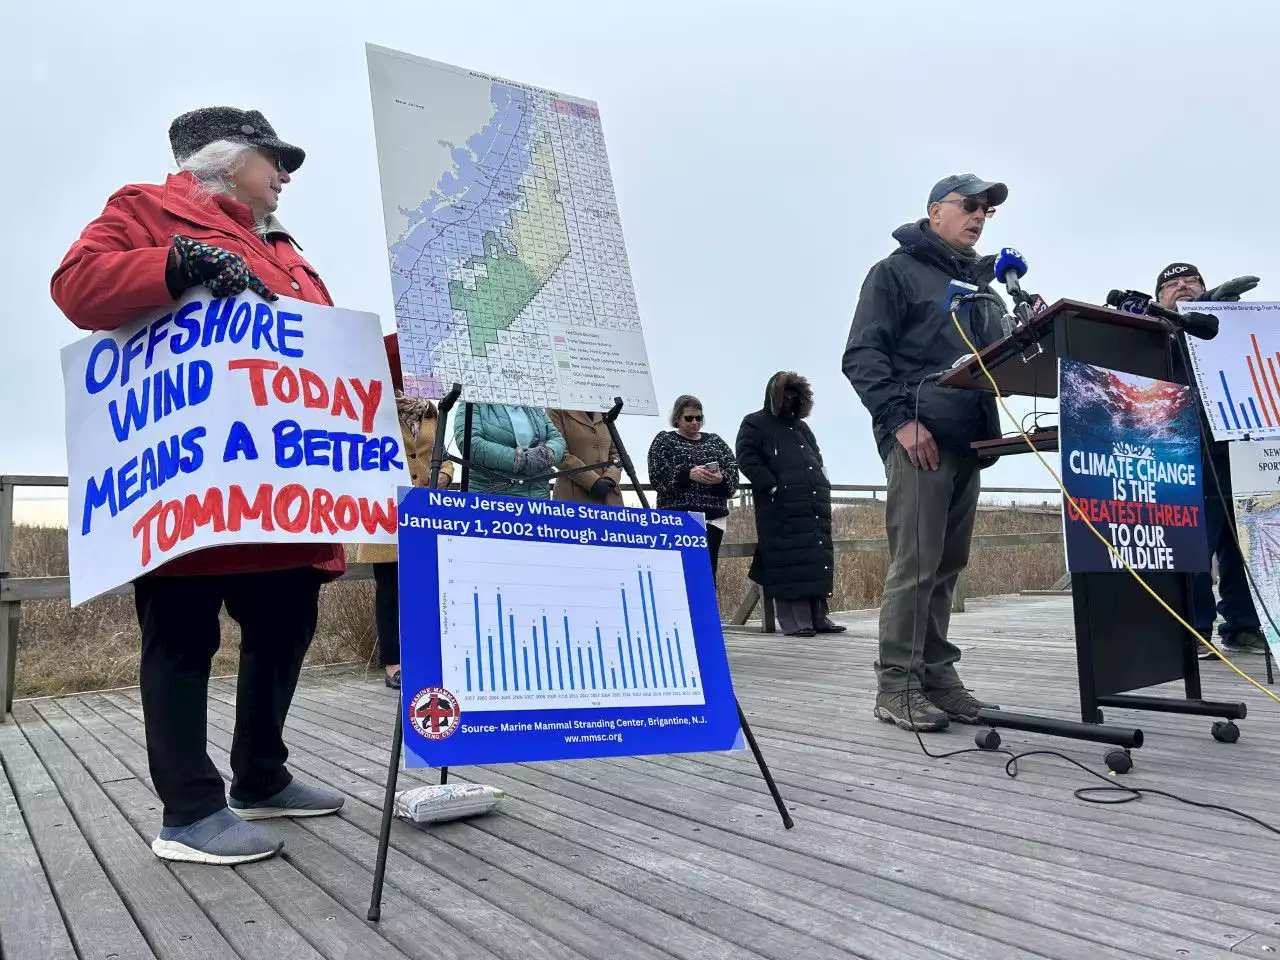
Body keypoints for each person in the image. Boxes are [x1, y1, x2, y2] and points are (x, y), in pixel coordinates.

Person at [50, 106, 345, 864]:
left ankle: (262, 776)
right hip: (189, 493)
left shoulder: (285, 250)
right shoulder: (144, 212)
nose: (284, 175)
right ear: (224, 158)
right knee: (182, 640)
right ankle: (189, 812)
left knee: (284, 633)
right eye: (274, 158)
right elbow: (78, 287)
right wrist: (176, 264)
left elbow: (317, 353)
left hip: (282, 493)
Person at [843, 173, 1009, 732]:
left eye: (986, 210)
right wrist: (900, 423)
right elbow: (863, 355)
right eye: (969, 205)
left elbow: (995, 357)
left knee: (947, 565)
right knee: (915, 565)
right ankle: (896, 685)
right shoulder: (893, 273)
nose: (979, 216)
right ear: (935, 210)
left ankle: (937, 675)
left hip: (968, 441)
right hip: (919, 440)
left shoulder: (985, 287)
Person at [1156, 262, 1267, 658]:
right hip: (1184, 447)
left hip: (1240, 444)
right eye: (1171, 284)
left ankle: (1244, 626)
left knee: (1245, 542)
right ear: (1158, 298)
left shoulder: (1225, 330)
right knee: (1194, 542)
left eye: (1191, 282)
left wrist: (1222, 314)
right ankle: (1195, 629)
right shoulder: (1154, 332)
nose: (1182, 287)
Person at [357, 334, 454, 690]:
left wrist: (444, 473)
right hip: (386, 513)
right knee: (390, 589)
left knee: (427, 586)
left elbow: (441, 451)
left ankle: (425, 655)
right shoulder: (375, 407)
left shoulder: (432, 410)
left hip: (426, 511)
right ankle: (394, 662)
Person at [736, 372, 845, 637]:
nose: (790, 401)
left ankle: (819, 617)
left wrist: (822, 482)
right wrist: (772, 485)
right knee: (789, 559)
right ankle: (796, 620)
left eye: (795, 397)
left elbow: (816, 458)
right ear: (775, 397)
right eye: (785, 396)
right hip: (780, 506)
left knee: (816, 558)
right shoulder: (755, 423)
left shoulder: (802, 428)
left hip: (812, 504)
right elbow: (747, 458)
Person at [648, 395, 738, 579]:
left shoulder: (716, 441)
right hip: (677, 518)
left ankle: (706, 608)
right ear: (677, 418)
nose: (695, 422)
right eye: (689, 418)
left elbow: (733, 471)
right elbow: (657, 476)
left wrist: (721, 479)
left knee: (707, 575)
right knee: (678, 575)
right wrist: (688, 475)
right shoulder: (664, 440)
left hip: (713, 519)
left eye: (699, 417)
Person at [455, 404, 565, 499]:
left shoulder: (532, 406)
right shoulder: (474, 401)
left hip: (537, 497)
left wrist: (546, 454)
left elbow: (557, 438)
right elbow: (469, 442)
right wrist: (520, 459)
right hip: (490, 496)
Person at [547, 409, 623, 505]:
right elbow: (559, 454)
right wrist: (592, 481)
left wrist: (611, 477)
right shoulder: (556, 410)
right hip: (573, 497)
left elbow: (616, 454)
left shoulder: (603, 410)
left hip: (609, 497)